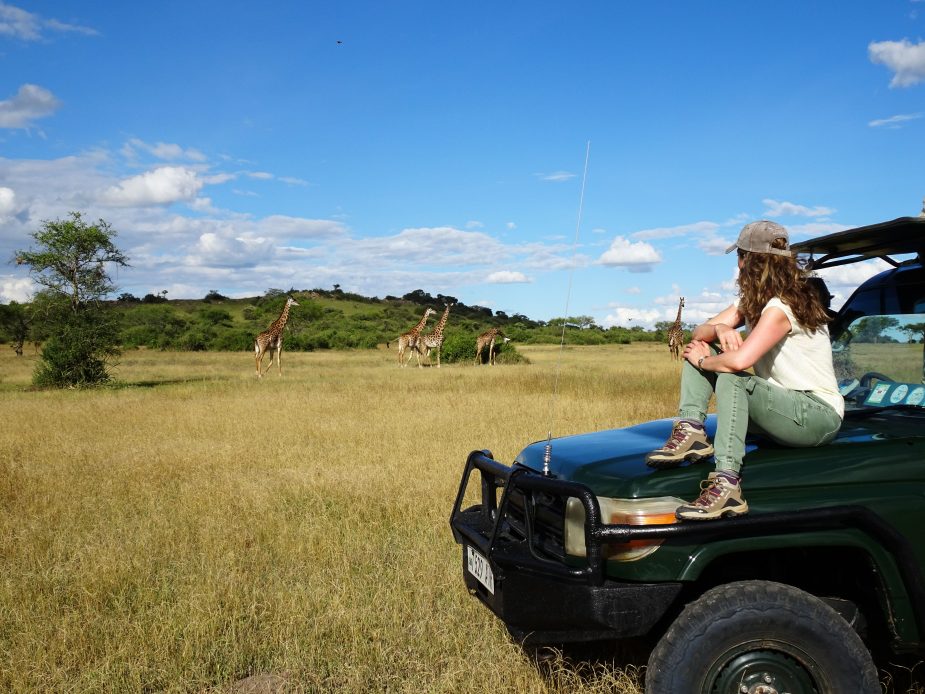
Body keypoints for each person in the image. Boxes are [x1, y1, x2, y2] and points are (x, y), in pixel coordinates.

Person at [645, 220, 844, 521]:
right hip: (784, 409)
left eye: (738, 255)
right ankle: (691, 430)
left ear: (746, 260)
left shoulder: (781, 307)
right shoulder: (755, 302)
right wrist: (721, 327)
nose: (737, 265)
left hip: (817, 414)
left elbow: (739, 363)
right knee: (707, 345)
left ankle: (727, 484)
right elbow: (700, 332)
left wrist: (702, 362)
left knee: (730, 376)